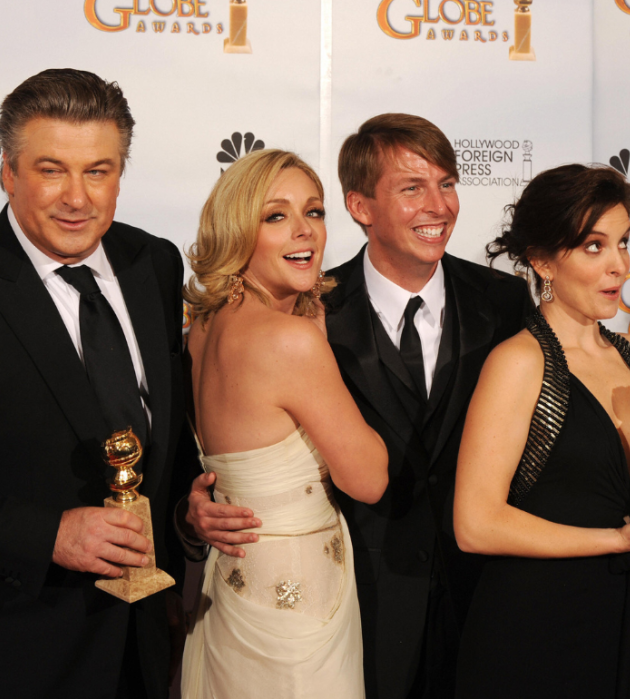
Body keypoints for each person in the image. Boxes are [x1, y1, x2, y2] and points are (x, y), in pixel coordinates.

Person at [182, 113, 532, 698]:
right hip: (355, 603)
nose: (438, 206)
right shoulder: (311, 314)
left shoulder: (505, 298)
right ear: (362, 207)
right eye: (412, 188)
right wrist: (191, 512)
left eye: (447, 184)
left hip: (481, 598)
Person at [0, 69, 190, 698]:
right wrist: (52, 535)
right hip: (10, 649)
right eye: (51, 170)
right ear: (8, 173)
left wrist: (187, 512)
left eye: (98, 170)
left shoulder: (151, 261)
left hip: (143, 640)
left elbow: (159, 424)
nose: (77, 197)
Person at [451, 163, 630, 698]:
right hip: (535, 628)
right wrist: (617, 540)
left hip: (627, 616)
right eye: (594, 246)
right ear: (543, 260)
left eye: (623, 242)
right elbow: (474, 524)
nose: (619, 265)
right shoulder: (519, 363)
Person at [179, 149, 389, 699]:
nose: (304, 231)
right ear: (238, 229)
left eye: (314, 212)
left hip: (231, 592)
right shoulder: (292, 342)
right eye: (276, 216)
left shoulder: (202, 328)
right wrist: (316, 344)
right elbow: (368, 479)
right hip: (301, 616)